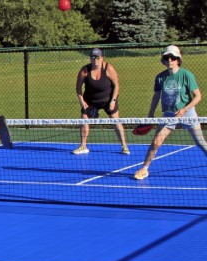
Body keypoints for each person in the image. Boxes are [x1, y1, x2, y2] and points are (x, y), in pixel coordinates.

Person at [134, 45, 207, 180]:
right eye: (166, 58)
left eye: (172, 57)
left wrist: (185, 109)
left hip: (188, 114)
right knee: (156, 142)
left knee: (201, 142)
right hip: (169, 115)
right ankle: (144, 168)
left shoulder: (186, 75)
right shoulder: (160, 77)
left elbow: (198, 96)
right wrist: (150, 114)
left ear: (178, 60)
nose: (169, 60)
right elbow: (156, 96)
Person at [74, 48, 130, 155]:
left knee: (116, 121)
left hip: (108, 99)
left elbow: (116, 86)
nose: (95, 60)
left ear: (101, 58)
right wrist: (82, 101)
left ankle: (124, 146)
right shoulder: (84, 70)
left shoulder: (108, 68)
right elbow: (78, 88)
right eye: (93, 57)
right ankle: (83, 146)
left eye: (97, 57)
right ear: (90, 58)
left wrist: (113, 100)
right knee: (84, 121)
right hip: (90, 101)